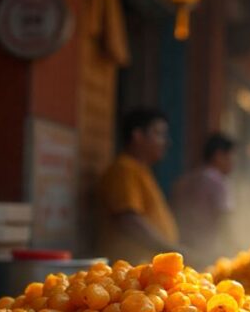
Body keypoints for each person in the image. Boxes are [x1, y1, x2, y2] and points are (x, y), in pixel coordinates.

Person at [98, 108, 180, 264]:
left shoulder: (141, 170)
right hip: (131, 270)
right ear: (138, 136)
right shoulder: (124, 169)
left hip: (147, 267)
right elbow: (129, 221)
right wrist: (170, 250)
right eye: (159, 134)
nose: (167, 142)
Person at [173, 133, 236, 267]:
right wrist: (234, 247)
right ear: (218, 155)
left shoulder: (186, 180)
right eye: (230, 157)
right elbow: (223, 220)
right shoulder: (218, 182)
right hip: (205, 249)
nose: (233, 162)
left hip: (180, 245)